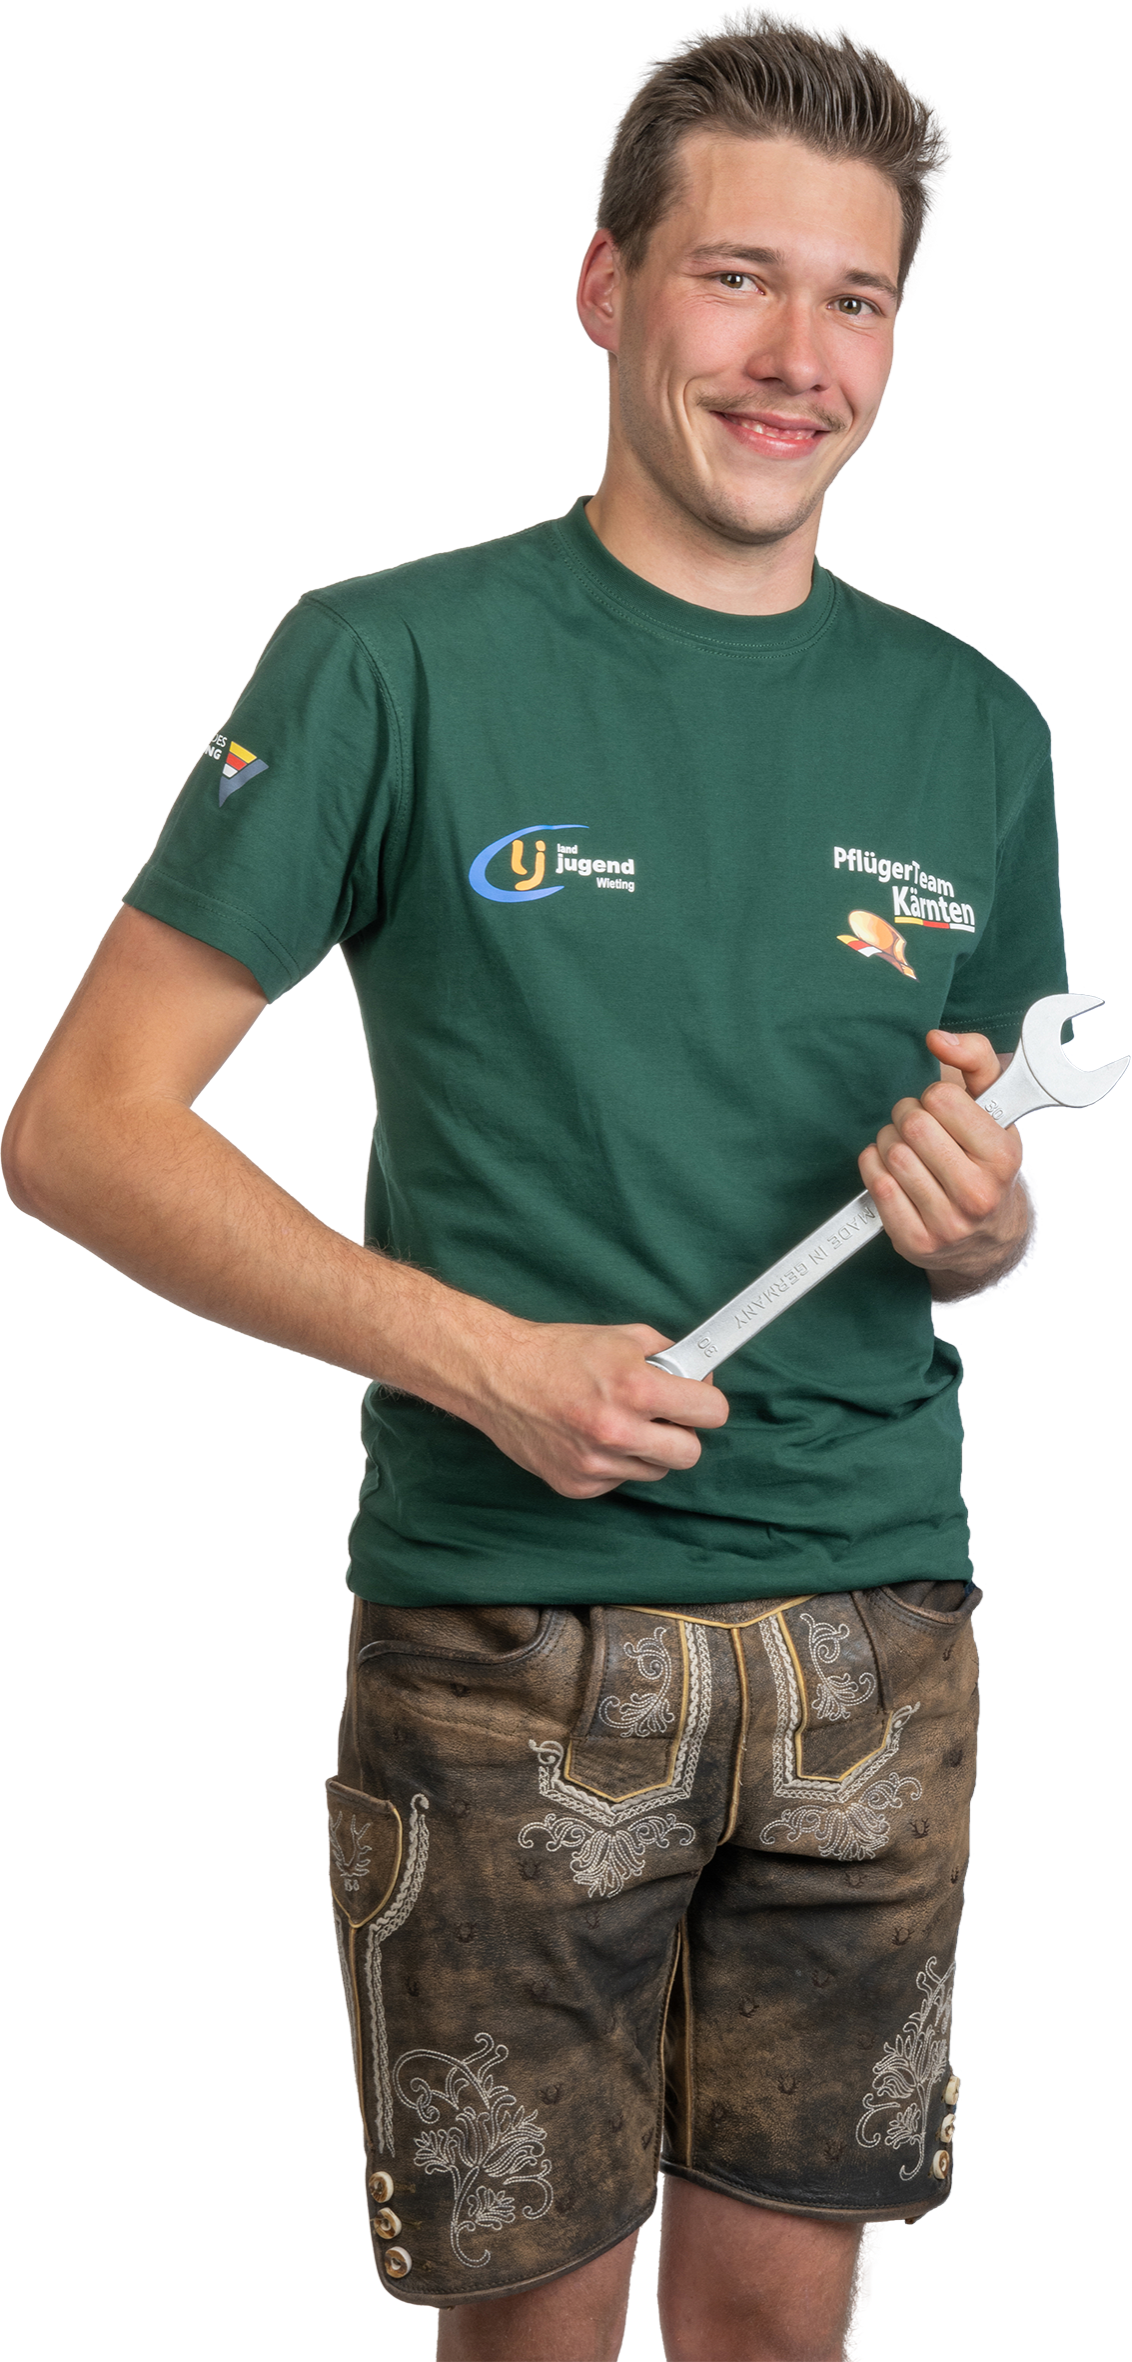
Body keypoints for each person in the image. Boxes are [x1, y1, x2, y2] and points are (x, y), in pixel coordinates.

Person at [2, 10, 1070, 2358]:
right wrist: (474, 1354)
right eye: (735, 277)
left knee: (789, 2318)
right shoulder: (386, 659)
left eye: (855, 299)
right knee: (526, 2330)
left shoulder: (973, 727)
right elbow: (79, 1124)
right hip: (507, 1636)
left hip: (878, 1632)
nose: (794, 359)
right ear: (604, 284)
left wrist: (979, 1221)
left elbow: (989, 1203)